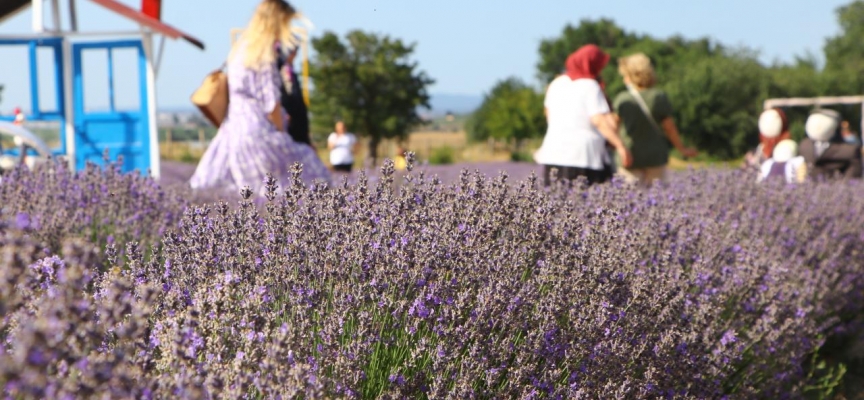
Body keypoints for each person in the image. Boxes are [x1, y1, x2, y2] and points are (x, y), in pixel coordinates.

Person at [190, 0, 330, 195]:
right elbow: (271, 101)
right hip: (257, 131)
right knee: (311, 176)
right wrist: (282, 132)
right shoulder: (264, 55)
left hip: (234, 130)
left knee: (244, 194)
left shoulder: (240, 48)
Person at [534, 44, 632, 187]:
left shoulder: (556, 83)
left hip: (554, 152)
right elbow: (599, 120)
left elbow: (549, 115)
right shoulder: (590, 85)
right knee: (586, 202)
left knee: (555, 201)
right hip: (583, 156)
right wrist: (620, 146)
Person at [613, 53, 697, 186]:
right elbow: (669, 128)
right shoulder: (659, 97)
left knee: (627, 200)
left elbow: (613, 127)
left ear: (629, 76)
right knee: (657, 198)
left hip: (629, 157)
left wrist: (619, 148)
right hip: (655, 157)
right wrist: (682, 149)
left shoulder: (622, 99)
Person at [799, 109, 862, 180]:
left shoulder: (849, 151)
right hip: (806, 188)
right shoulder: (804, 145)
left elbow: (852, 179)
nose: (817, 125)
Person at [275, 42, 312, 147]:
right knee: (292, 159)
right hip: (288, 122)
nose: (295, 54)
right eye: (292, 51)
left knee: (298, 161)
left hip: (297, 123)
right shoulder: (280, 71)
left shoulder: (290, 70)